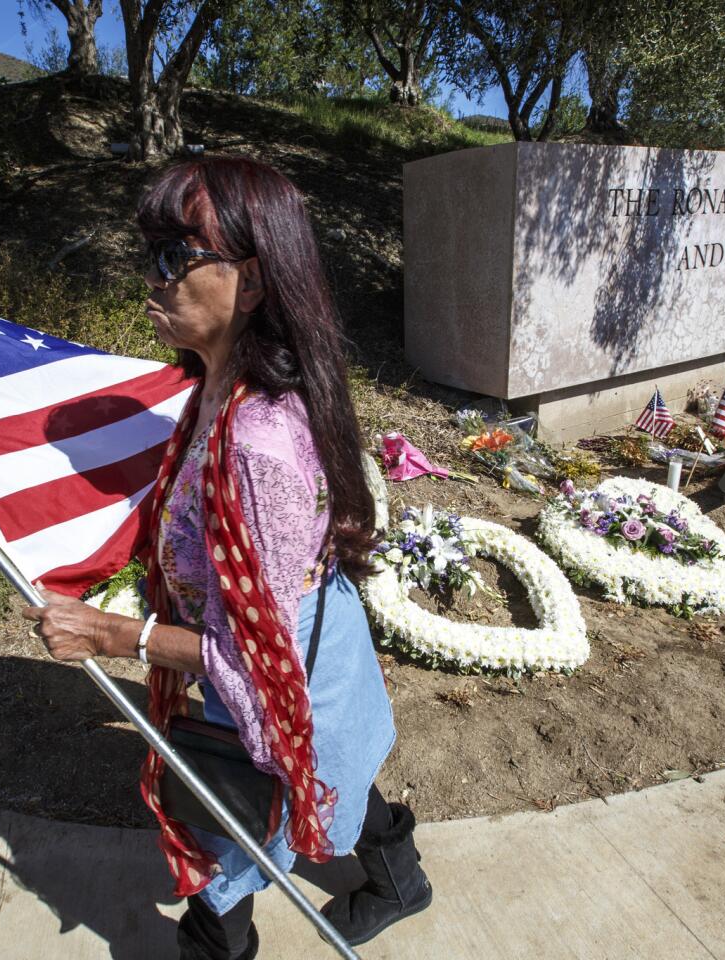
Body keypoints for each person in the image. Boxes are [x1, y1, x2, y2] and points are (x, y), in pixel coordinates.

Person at [22, 156, 431, 959]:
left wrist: (112, 636)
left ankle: (224, 941)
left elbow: (255, 653)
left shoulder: (260, 440)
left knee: (228, 835)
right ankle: (398, 876)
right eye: (154, 254)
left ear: (252, 282)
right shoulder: (220, 389)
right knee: (322, 769)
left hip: (283, 661)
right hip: (301, 647)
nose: (157, 276)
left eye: (180, 256)